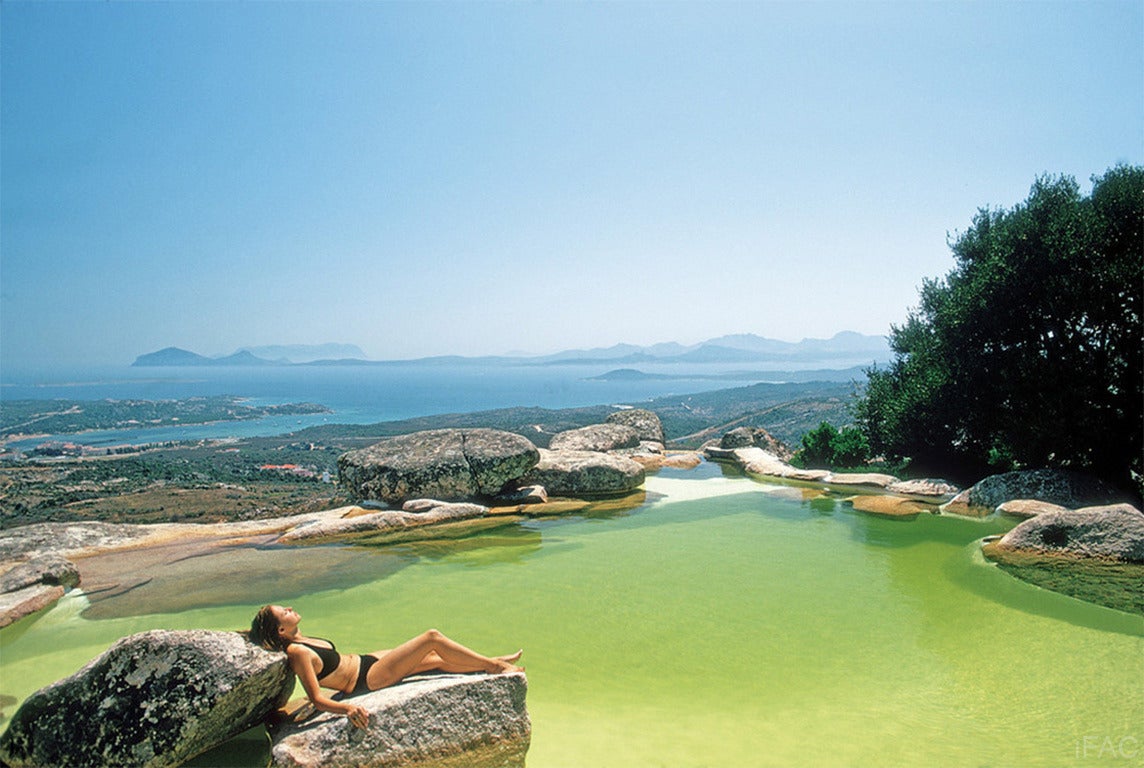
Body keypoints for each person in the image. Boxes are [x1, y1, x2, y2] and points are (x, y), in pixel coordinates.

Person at [248, 605, 523, 729]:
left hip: (365, 662)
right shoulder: (297, 653)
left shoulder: (302, 638)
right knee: (431, 638)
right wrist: (348, 708)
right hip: (366, 680)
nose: (290, 607)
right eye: (284, 612)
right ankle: (495, 666)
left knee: (435, 661)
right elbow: (317, 699)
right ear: (282, 629)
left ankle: (489, 662)